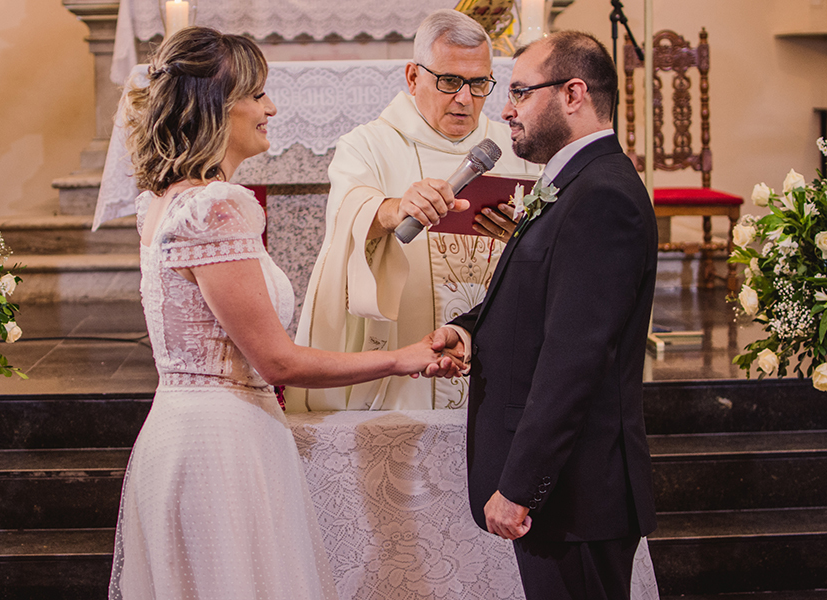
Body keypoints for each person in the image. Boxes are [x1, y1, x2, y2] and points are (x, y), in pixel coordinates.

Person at [108, 27, 446, 600]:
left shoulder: (162, 202)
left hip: (182, 429)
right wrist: (402, 358)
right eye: (257, 93)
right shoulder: (216, 208)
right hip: (223, 442)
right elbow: (277, 360)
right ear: (217, 105)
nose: (271, 107)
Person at [426, 31, 659, 599]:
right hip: (571, 496)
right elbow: (545, 303)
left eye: (521, 92)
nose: (504, 109)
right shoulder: (576, 182)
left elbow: (574, 358)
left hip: (576, 493)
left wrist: (523, 485)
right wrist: (468, 330)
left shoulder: (602, 195)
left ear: (573, 93)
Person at [285, 8, 541, 412]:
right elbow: (346, 216)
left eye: (478, 84)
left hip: (500, 364)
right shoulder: (369, 144)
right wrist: (393, 209)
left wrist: (523, 236)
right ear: (413, 77)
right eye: (450, 81)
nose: (465, 98)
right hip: (404, 373)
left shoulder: (515, 148)